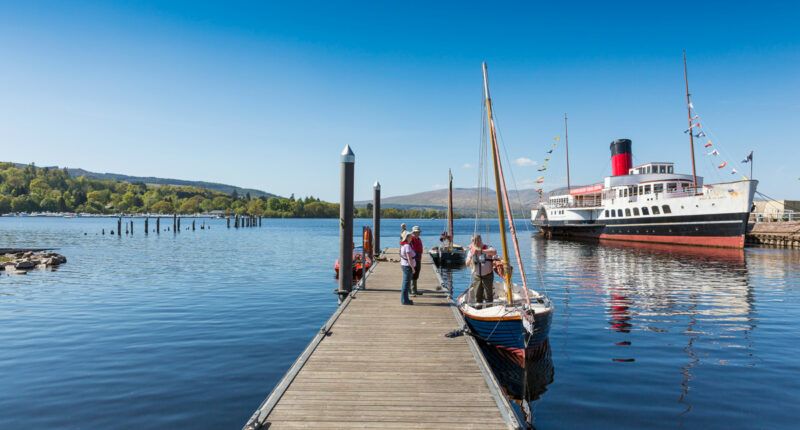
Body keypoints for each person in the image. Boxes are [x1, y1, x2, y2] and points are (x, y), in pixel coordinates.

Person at [465, 234, 497, 307]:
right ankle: (478, 308)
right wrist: (470, 256)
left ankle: (489, 310)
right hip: (477, 276)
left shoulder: (488, 247)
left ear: (481, 240)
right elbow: (467, 264)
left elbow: (494, 252)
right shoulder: (471, 251)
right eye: (475, 242)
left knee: (488, 295)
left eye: (478, 241)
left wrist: (481, 251)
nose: (477, 243)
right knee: (477, 294)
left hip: (487, 275)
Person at [399, 230, 416, 305]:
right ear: (406, 237)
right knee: (406, 283)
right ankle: (404, 300)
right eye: (410, 236)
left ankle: (405, 299)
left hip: (404, 265)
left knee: (405, 283)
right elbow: (409, 258)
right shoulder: (407, 246)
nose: (411, 237)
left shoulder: (403, 245)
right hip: (407, 266)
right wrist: (413, 268)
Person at [409, 226, 424, 296]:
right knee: (412, 274)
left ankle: (415, 290)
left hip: (418, 259)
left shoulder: (419, 239)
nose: (418, 233)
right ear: (413, 233)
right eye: (416, 232)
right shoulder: (411, 239)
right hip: (413, 259)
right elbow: (410, 250)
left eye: (418, 232)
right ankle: (411, 290)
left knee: (417, 274)